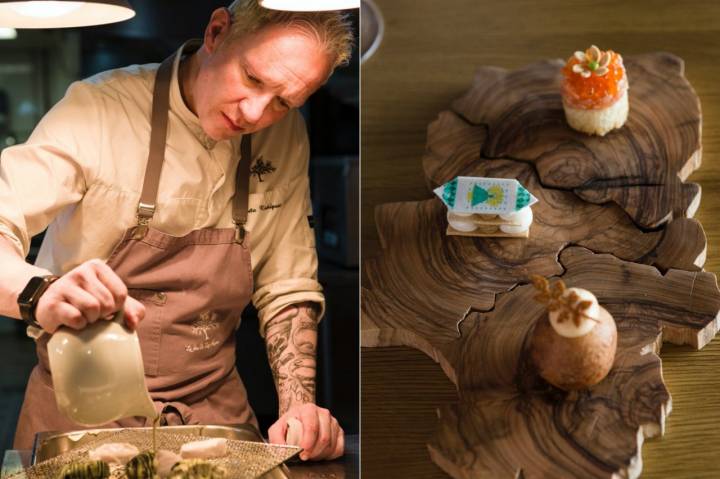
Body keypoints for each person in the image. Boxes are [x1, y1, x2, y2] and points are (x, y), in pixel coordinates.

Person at [0, 0, 353, 461]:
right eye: (252, 78)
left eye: (285, 102)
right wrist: (39, 293)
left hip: (216, 416)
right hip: (80, 414)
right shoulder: (98, 110)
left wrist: (300, 407)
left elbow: (286, 283)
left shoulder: (285, 136)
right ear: (217, 32)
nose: (255, 112)